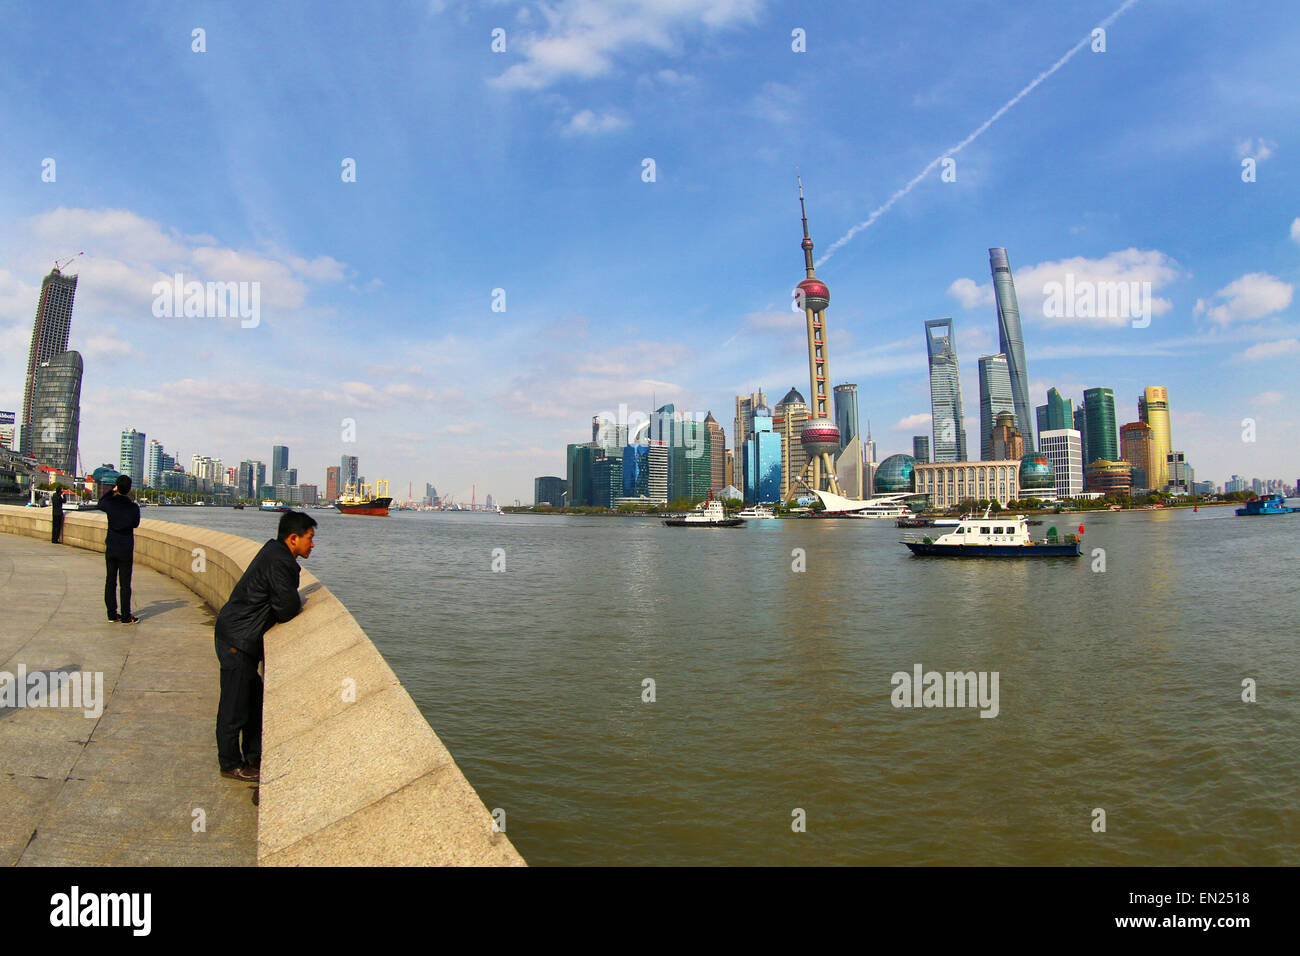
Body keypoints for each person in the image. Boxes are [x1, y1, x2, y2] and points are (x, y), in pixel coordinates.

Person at [214, 510, 316, 783]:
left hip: (238, 636)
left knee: (253, 699)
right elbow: (286, 608)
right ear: (293, 539)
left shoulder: (275, 553)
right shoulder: (280, 562)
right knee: (234, 706)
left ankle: (253, 757)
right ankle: (230, 763)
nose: (312, 544)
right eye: (309, 538)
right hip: (237, 639)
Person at [97, 476, 141, 624]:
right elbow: (135, 524)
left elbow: (100, 503)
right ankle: (126, 616)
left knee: (110, 581)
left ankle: (111, 614)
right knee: (125, 584)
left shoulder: (110, 503)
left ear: (117, 487)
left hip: (111, 546)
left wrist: (111, 491)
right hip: (125, 548)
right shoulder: (133, 507)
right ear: (129, 489)